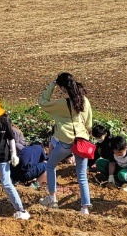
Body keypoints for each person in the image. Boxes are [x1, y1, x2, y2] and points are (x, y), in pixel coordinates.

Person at [38, 72, 95, 214]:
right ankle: (85, 207)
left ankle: (52, 199)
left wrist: (52, 85)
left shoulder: (63, 104)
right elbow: (88, 123)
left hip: (65, 142)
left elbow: (43, 102)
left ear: (63, 87)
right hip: (81, 141)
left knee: (51, 166)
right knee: (81, 175)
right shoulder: (84, 101)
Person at [91, 123, 127, 191]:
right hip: (118, 166)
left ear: (126, 148)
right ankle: (113, 178)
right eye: (115, 152)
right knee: (99, 163)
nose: (117, 154)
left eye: (120, 152)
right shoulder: (113, 149)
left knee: (122, 175)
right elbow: (112, 162)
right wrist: (111, 175)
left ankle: (121, 181)